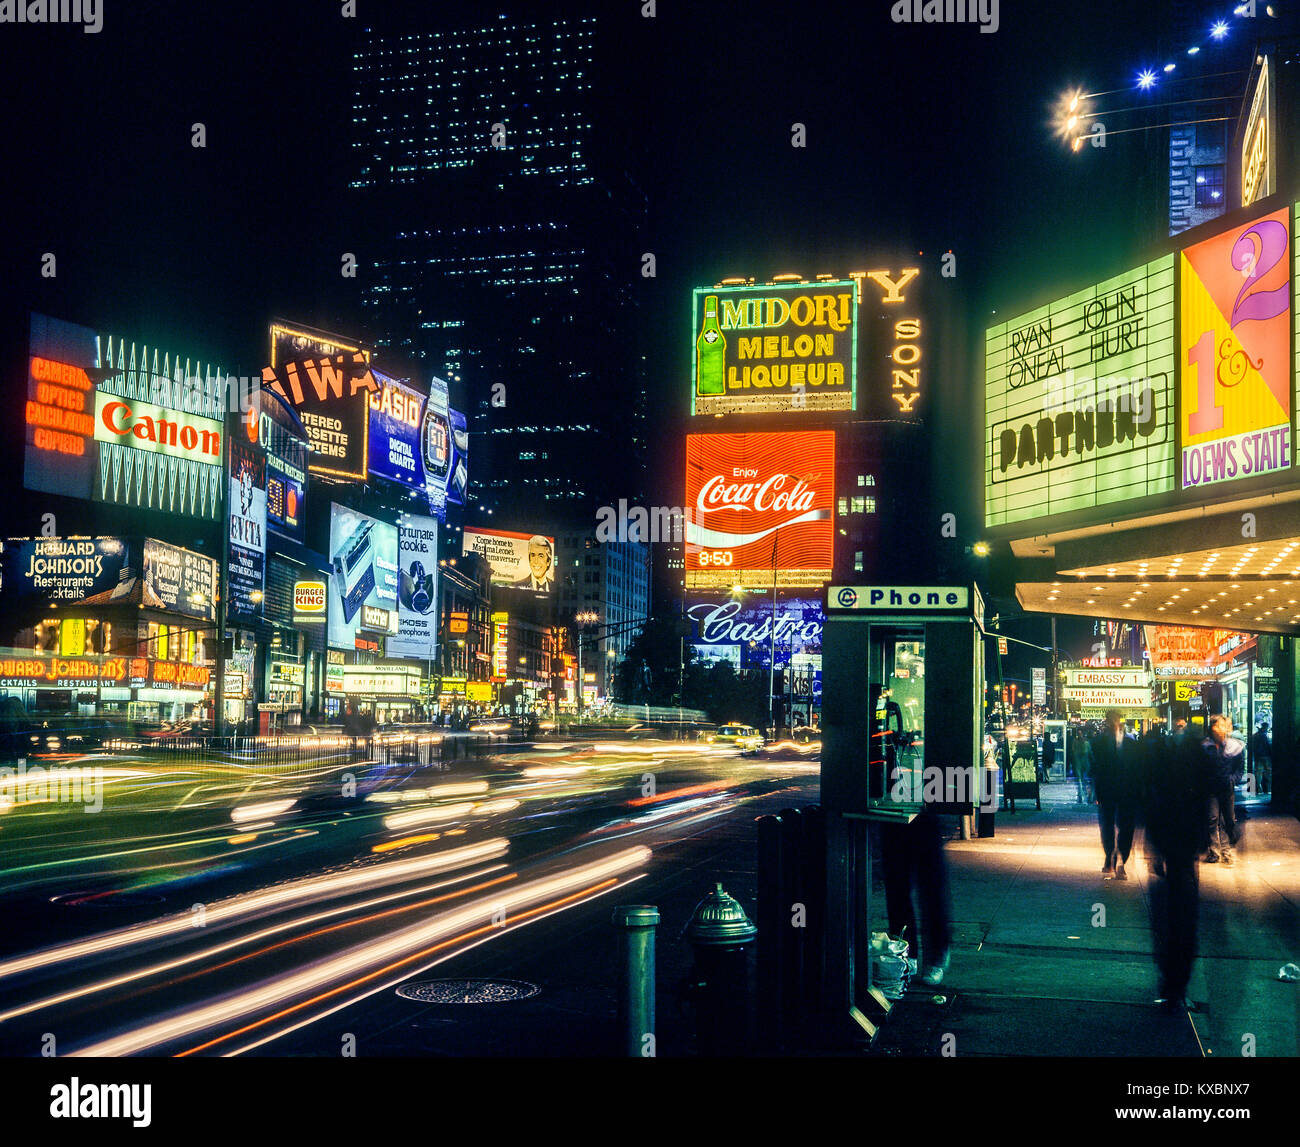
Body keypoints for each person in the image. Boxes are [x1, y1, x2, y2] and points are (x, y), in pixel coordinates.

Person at [1144, 716, 1211, 1011]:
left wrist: (1155, 849)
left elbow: (1153, 804)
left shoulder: (1165, 771)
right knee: (1185, 915)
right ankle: (1177, 982)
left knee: (1170, 917)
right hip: (1183, 848)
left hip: (1171, 845)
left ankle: (1171, 982)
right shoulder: (1198, 769)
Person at [1090, 709, 1141, 879]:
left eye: (1116, 720)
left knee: (1126, 827)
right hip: (1107, 790)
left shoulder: (1131, 744)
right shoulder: (1099, 742)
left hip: (1127, 791)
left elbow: (1137, 769)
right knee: (1107, 826)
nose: (1114, 724)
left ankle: (1121, 860)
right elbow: (1096, 767)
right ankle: (1109, 857)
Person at [1202, 714, 1243, 865]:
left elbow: (1239, 768)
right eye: (1218, 725)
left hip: (1227, 789)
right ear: (1212, 728)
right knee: (1212, 819)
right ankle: (1214, 851)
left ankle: (1226, 849)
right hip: (1211, 790)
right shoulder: (1205, 747)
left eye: (1223, 725)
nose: (1222, 729)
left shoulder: (1234, 747)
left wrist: (1232, 780)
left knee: (1228, 821)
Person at [1070, 728, 1094, 805]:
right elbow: (1089, 753)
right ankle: (1084, 796)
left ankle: (1082, 796)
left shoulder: (1076, 742)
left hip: (1080, 763)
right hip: (1082, 763)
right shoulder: (1086, 742)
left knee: (1081, 780)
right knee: (1082, 780)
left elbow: (1073, 752)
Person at [1249, 720, 1272, 797]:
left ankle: (1259, 790)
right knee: (1267, 772)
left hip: (1258, 756)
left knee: (1258, 773)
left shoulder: (1255, 735)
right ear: (1266, 727)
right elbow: (1268, 746)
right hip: (1266, 756)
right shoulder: (1265, 736)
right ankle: (1268, 789)